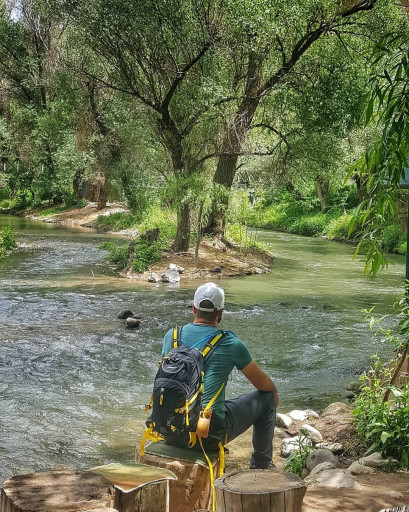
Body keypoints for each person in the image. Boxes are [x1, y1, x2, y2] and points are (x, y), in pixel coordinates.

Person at [161, 282, 279, 469]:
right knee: (266, 398)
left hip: (169, 430)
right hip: (207, 434)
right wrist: (274, 393)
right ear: (221, 313)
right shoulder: (230, 343)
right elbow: (262, 384)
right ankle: (261, 466)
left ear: (194, 308)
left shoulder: (171, 336)